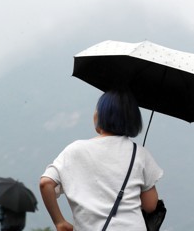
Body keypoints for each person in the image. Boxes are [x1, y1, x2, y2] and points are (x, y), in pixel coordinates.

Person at [39, 89, 163, 231]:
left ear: (100, 116)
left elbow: (45, 183)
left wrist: (59, 222)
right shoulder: (139, 154)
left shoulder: (74, 150)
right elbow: (150, 205)